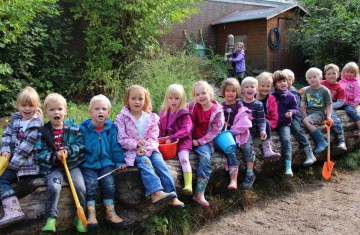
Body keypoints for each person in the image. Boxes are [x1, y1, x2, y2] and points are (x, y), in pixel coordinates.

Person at [114, 85, 184, 208]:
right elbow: (122, 138)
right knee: (145, 162)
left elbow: (153, 137)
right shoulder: (121, 118)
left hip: (150, 149)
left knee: (161, 166)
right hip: (133, 151)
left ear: (145, 100)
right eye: (133, 98)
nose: (137, 102)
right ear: (127, 100)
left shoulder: (151, 118)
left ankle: (172, 196)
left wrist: (146, 148)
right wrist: (136, 146)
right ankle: (156, 192)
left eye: (140, 99)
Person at [35, 93, 87, 233]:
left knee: (80, 187)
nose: (56, 112)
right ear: (46, 113)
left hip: (72, 165)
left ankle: (80, 217)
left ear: (65, 111)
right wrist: (54, 156)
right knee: (54, 186)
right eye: (52, 110)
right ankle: (51, 218)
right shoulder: (44, 131)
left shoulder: (74, 129)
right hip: (53, 168)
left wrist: (69, 151)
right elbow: (39, 152)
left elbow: (81, 145)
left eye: (59, 109)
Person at [80, 95, 126, 228]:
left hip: (106, 162)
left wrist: (119, 162)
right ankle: (91, 214)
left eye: (104, 109)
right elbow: (79, 145)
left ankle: (110, 212)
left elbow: (115, 147)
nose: (100, 112)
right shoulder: (84, 128)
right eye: (97, 109)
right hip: (88, 163)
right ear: (90, 112)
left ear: (108, 112)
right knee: (91, 185)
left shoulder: (111, 128)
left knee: (109, 184)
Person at [0, 86, 42, 228]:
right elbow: (6, 135)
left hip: (25, 166)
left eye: (31, 105)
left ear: (37, 107)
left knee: (2, 178)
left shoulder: (36, 126)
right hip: (10, 159)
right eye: (23, 105)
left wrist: (9, 166)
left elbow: (25, 150)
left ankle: (13, 211)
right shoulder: (16, 119)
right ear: (18, 106)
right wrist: (5, 150)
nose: (27, 109)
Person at [189, 81, 224, 206]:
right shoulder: (194, 106)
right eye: (197, 94)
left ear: (210, 93)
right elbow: (189, 121)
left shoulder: (217, 111)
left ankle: (199, 193)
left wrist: (199, 142)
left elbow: (216, 131)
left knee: (205, 158)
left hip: (205, 140)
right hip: (191, 136)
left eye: (204, 93)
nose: (201, 96)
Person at [158, 84, 193, 195]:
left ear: (182, 99)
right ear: (167, 99)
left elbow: (186, 129)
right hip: (168, 143)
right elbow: (158, 128)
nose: (173, 101)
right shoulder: (164, 113)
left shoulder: (184, 114)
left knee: (184, 159)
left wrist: (173, 136)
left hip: (182, 141)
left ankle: (188, 184)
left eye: (177, 98)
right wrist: (158, 139)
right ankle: (161, 189)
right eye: (171, 98)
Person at [220, 78, 252, 190]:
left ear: (237, 92)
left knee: (246, 148)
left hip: (237, 132)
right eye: (228, 90)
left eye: (233, 91)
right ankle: (233, 179)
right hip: (226, 135)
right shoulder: (221, 106)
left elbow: (243, 117)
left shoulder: (239, 105)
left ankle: (241, 176)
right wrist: (221, 122)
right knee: (230, 150)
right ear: (223, 92)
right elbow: (216, 120)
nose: (230, 93)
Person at [283, 69, 316, 166]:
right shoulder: (279, 91)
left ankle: (309, 153)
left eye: (289, 79)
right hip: (284, 115)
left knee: (296, 128)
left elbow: (296, 107)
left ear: (292, 81)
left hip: (295, 115)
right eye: (284, 80)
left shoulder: (294, 92)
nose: (286, 82)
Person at [272, 71, 299, 176]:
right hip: (273, 122)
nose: (283, 83)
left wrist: (291, 112)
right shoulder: (272, 96)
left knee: (286, 140)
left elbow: (296, 108)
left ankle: (288, 166)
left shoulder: (291, 96)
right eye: (279, 82)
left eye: (284, 81)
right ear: (274, 84)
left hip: (284, 123)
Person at [301, 68, 332, 155]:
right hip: (309, 112)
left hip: (319, 113)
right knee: (301, 119)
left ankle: (321, 141)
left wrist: (329, 116)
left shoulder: (324, 90)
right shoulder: (307, 90)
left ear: (321, 78)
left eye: (314, 77)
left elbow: (329, 105)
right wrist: (304, 114)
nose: (312, 79)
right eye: (309, 77)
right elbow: (303, 103)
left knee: (306, 121)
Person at [255, 72, 281, 159]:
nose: (265, 88)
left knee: (265, 121)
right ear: (257, 86)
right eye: (262, 86)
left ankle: (267, 148)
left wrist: (269, 127)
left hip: (265, 126)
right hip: (252, 123)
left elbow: (274, 117)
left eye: (268, 86)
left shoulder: (271, 100)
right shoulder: (251, 97)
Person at [338, 62, 360, 136]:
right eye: (347, 72)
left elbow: (358, 94)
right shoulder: (340, 82)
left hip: (350, 103)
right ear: (344, 72)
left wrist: (356, 103)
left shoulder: (356, 83)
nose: (349, 74)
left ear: (355, 73)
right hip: (340, 102)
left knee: (350, 111)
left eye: (352, 72)